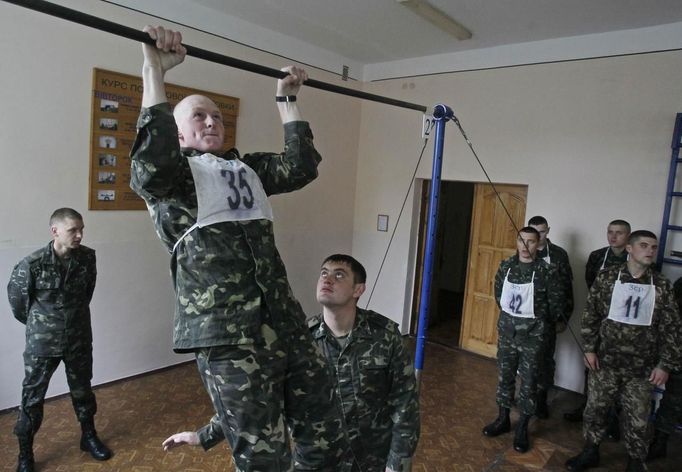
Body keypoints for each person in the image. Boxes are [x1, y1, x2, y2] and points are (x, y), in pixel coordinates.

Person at [130, 26, 349, 471]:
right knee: (264, 456)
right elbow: (150, 165)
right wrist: (153, 72)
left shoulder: (244, 168)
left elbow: (300, 167)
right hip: (229, 339)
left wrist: (287, 100)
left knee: (324, 429)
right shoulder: (171, 182)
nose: (211, 121)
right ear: (178, 133)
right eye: (199, 117)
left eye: (217, 116)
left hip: (285, 324)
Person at [565, 230, 682, 472]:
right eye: (644, 245)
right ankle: (590, 451)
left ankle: (635, 461)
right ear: (629, 248)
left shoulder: (661, 285)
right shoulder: (607, 278)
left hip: (642, 369)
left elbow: (672, 328)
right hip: (605, 362)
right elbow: (591, 316)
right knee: (595, 410)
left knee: (638, 419)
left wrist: (665, 364)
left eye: (653, 247)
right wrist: (589, 349)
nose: (650, 250)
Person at [7, 208, 112, 472]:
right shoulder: (31, 264)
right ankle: (25, 453)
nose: (79, 235)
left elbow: (87, 293)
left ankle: (88, 437)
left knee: (82, 390)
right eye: (73, 230)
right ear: (55, 231)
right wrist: (45, 326)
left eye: (81, 229)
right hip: (43, 344)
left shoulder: (87, 258)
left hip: (78, 338)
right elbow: (19, 305)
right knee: (32, 397)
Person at [307, 254, 420, 471]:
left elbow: (405, 405)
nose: (327, 280)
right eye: (324, 273)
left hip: (372, 458)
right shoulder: (303, 339)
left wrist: (398, 464)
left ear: (358, 290)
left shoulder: (385, 336)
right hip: (320, 458)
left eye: (339, 275)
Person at [482, 227, 564, 453]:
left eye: (531, 241)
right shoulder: (506, 267)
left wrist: (537, 325)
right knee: (505, 377)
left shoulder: (548, 271)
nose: (526, 246)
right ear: (517, 242)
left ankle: (523, 428)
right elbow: (498, 296)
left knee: (529, 382)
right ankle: (503, 418)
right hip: (508, 334)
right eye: (522, 240)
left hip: (533, 338)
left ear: (538, 244)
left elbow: (556, 306)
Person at [564, 220, 631, 434]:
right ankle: (586, 406)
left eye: (619, 233)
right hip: (599, 320)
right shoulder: (597, 256)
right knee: (591, 365)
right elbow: (591, 284)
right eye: (610, 232)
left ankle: (612, 418)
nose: (613, 237)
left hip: (625, 327)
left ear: (628, 237)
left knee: (619, 372)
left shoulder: (635, 259)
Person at [527, 215, 574, 418]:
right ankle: (524, 396)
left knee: (546, 360)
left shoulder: (558, 255)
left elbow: (566, 288)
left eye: (542, 231)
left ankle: (541, 398)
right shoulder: (524, 251)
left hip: (548, 319)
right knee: (525, 360)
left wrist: (564, 318)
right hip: (526, 319)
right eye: (534, 231)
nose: (539, 235)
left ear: (548, 231)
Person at [646, 275, 682, 462]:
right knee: (672, 402)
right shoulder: (680, 285)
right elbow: (671, 323)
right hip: (678, 351)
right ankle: (659, 443)